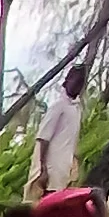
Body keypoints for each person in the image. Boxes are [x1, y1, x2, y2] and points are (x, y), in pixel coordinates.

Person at [34, 63, 90, 197]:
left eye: (80, 84)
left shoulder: (76, 109)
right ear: (67, 81)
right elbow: (43, 138)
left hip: (65, 170)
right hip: (52, 170)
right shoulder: (58, 106)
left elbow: (72, 141)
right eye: (76, 82)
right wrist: (42, 169)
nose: (77, 86)